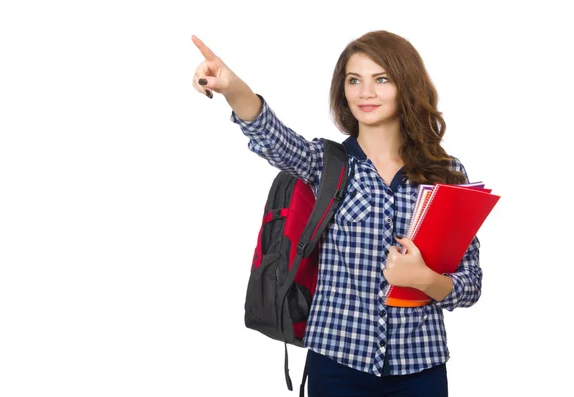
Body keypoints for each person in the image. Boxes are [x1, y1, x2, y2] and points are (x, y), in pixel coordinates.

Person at [191, 30, 482, 397]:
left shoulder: (446, 175)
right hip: (336, 363)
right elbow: (272, 137)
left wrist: (425, 280)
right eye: (354, 80)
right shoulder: (326, 165)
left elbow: (470, 283)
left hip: (420, 367)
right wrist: (232, 87)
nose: (365, 92)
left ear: (406, 85)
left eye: (382, 79)